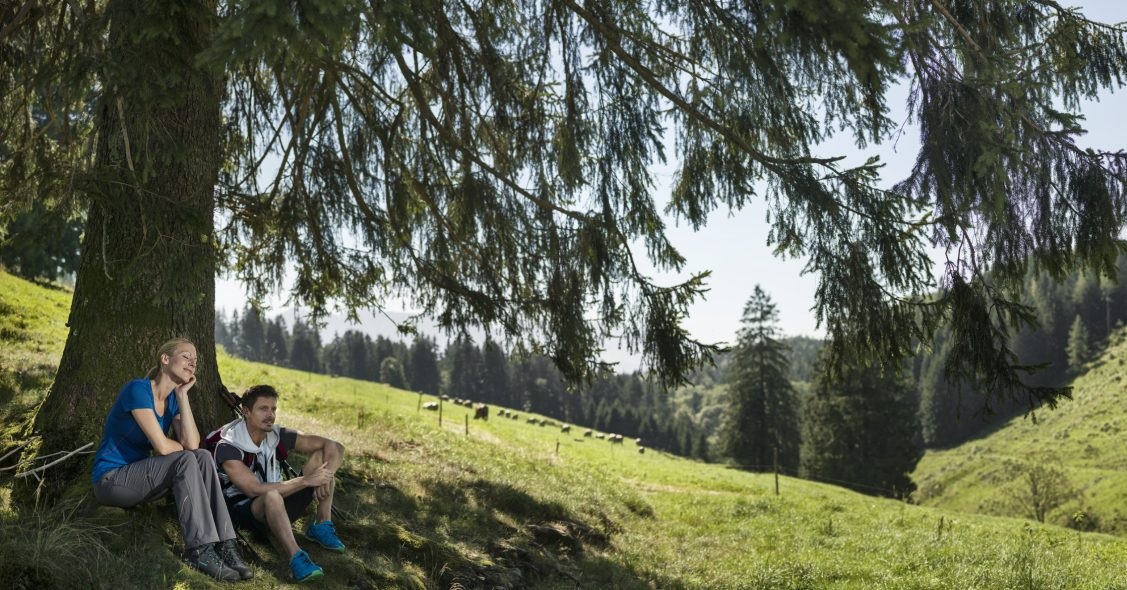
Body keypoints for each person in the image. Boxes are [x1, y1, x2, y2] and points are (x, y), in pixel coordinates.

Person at [91, 338, 252, 582]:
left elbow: (194, 444)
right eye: (186, 356)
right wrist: (183, 448)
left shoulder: (175, 400)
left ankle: (225, 544)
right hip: (111, 480)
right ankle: (199, 549)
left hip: (142, 480)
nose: (192, 363)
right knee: (186, 459)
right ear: (165, 359)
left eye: (195, 360)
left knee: (202, 457)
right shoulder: (138, 390)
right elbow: (163, 447)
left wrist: (183, 395)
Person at [207, 384, 346, 582]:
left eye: (273, 409)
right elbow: (253, 489)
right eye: (263, 409)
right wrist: (307, 480)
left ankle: (322, 524)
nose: (270, 415)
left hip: (278, 502)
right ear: (246, 412)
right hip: (244, 511)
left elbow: (334, 446)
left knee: (323, 460)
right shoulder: (228, 444)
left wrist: (326, 476)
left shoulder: (275, 434)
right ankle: (296, 557)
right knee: (272, 495)